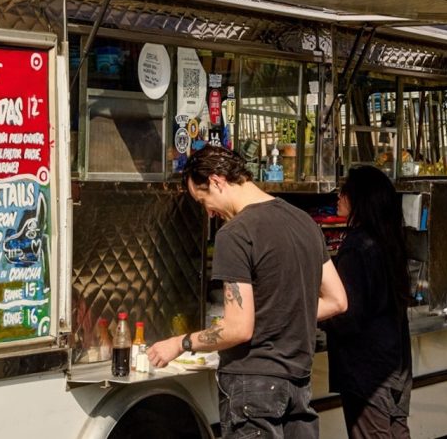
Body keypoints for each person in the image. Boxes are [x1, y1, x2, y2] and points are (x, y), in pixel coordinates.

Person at [146, 145, 347, 438]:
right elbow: (337, 300)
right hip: (299, 383)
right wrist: (281, 314)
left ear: (217, 181)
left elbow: (238, 329)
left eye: (204, 201)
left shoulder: (236, 233)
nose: (209, 212)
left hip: (253, 387)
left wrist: (179, 343)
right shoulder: (305, 223)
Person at [322, 165, 412, 438]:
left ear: (358, 199)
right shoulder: (388, 241)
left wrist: (320, 315)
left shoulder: (356, 247)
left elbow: (347, 314)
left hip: (366, 372)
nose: (337, 197)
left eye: (343, 191)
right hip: (394, 368)